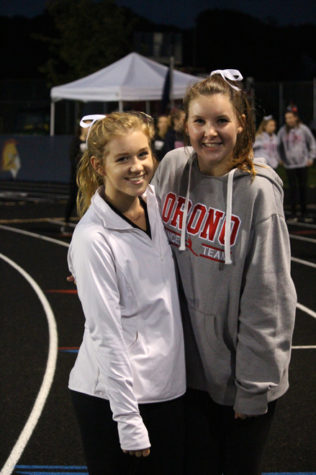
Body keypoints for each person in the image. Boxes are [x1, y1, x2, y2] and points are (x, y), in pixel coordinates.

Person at [152, 69, 297, 475]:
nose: (209, 133)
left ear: (241, 123)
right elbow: (132, 227)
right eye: (199, 121)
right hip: (185, 373)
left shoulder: (257, 192)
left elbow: (268, 298)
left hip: (240, 377)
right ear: (185, 123)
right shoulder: (172, 167)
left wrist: (253, 389)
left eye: (221, 121)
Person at [68, 112, 186, 474]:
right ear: (98, 165)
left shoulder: (154, 201)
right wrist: (129, 422)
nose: (137, 167)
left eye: (143, 154)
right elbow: (106, 335)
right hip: (114, 401)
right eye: (122, 158)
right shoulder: (93, 239)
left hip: (166, 390)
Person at [278, 110, 316, 222]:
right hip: (290, 165)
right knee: (292, 188)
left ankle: (304, 213)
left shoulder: (303, 129)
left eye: (290, 117)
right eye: (286, 118)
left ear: (295, 118)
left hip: (302, 163)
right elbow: (277, 145)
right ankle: (294, 213)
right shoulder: (283, 131)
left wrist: (311, 157)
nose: (288, 120)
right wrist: (280, 158)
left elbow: (312, 143)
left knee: (303, 188)